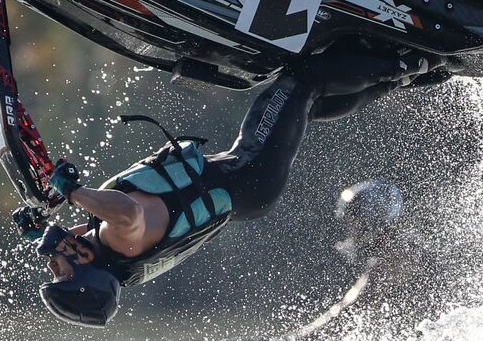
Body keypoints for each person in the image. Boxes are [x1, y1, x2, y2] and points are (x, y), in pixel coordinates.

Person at [34, 51, 445, 326]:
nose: (54, 261)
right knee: (301, 81)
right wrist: (72, 191)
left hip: (248, 189)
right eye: (60, 271)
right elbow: (129, 213)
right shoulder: (118, 239)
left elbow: (94, 229)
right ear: (87, 271)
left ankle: (409, 74)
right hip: (249, 171)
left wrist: (41, 225)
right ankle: (412, 60)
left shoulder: (117, 258)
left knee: (308, 103)